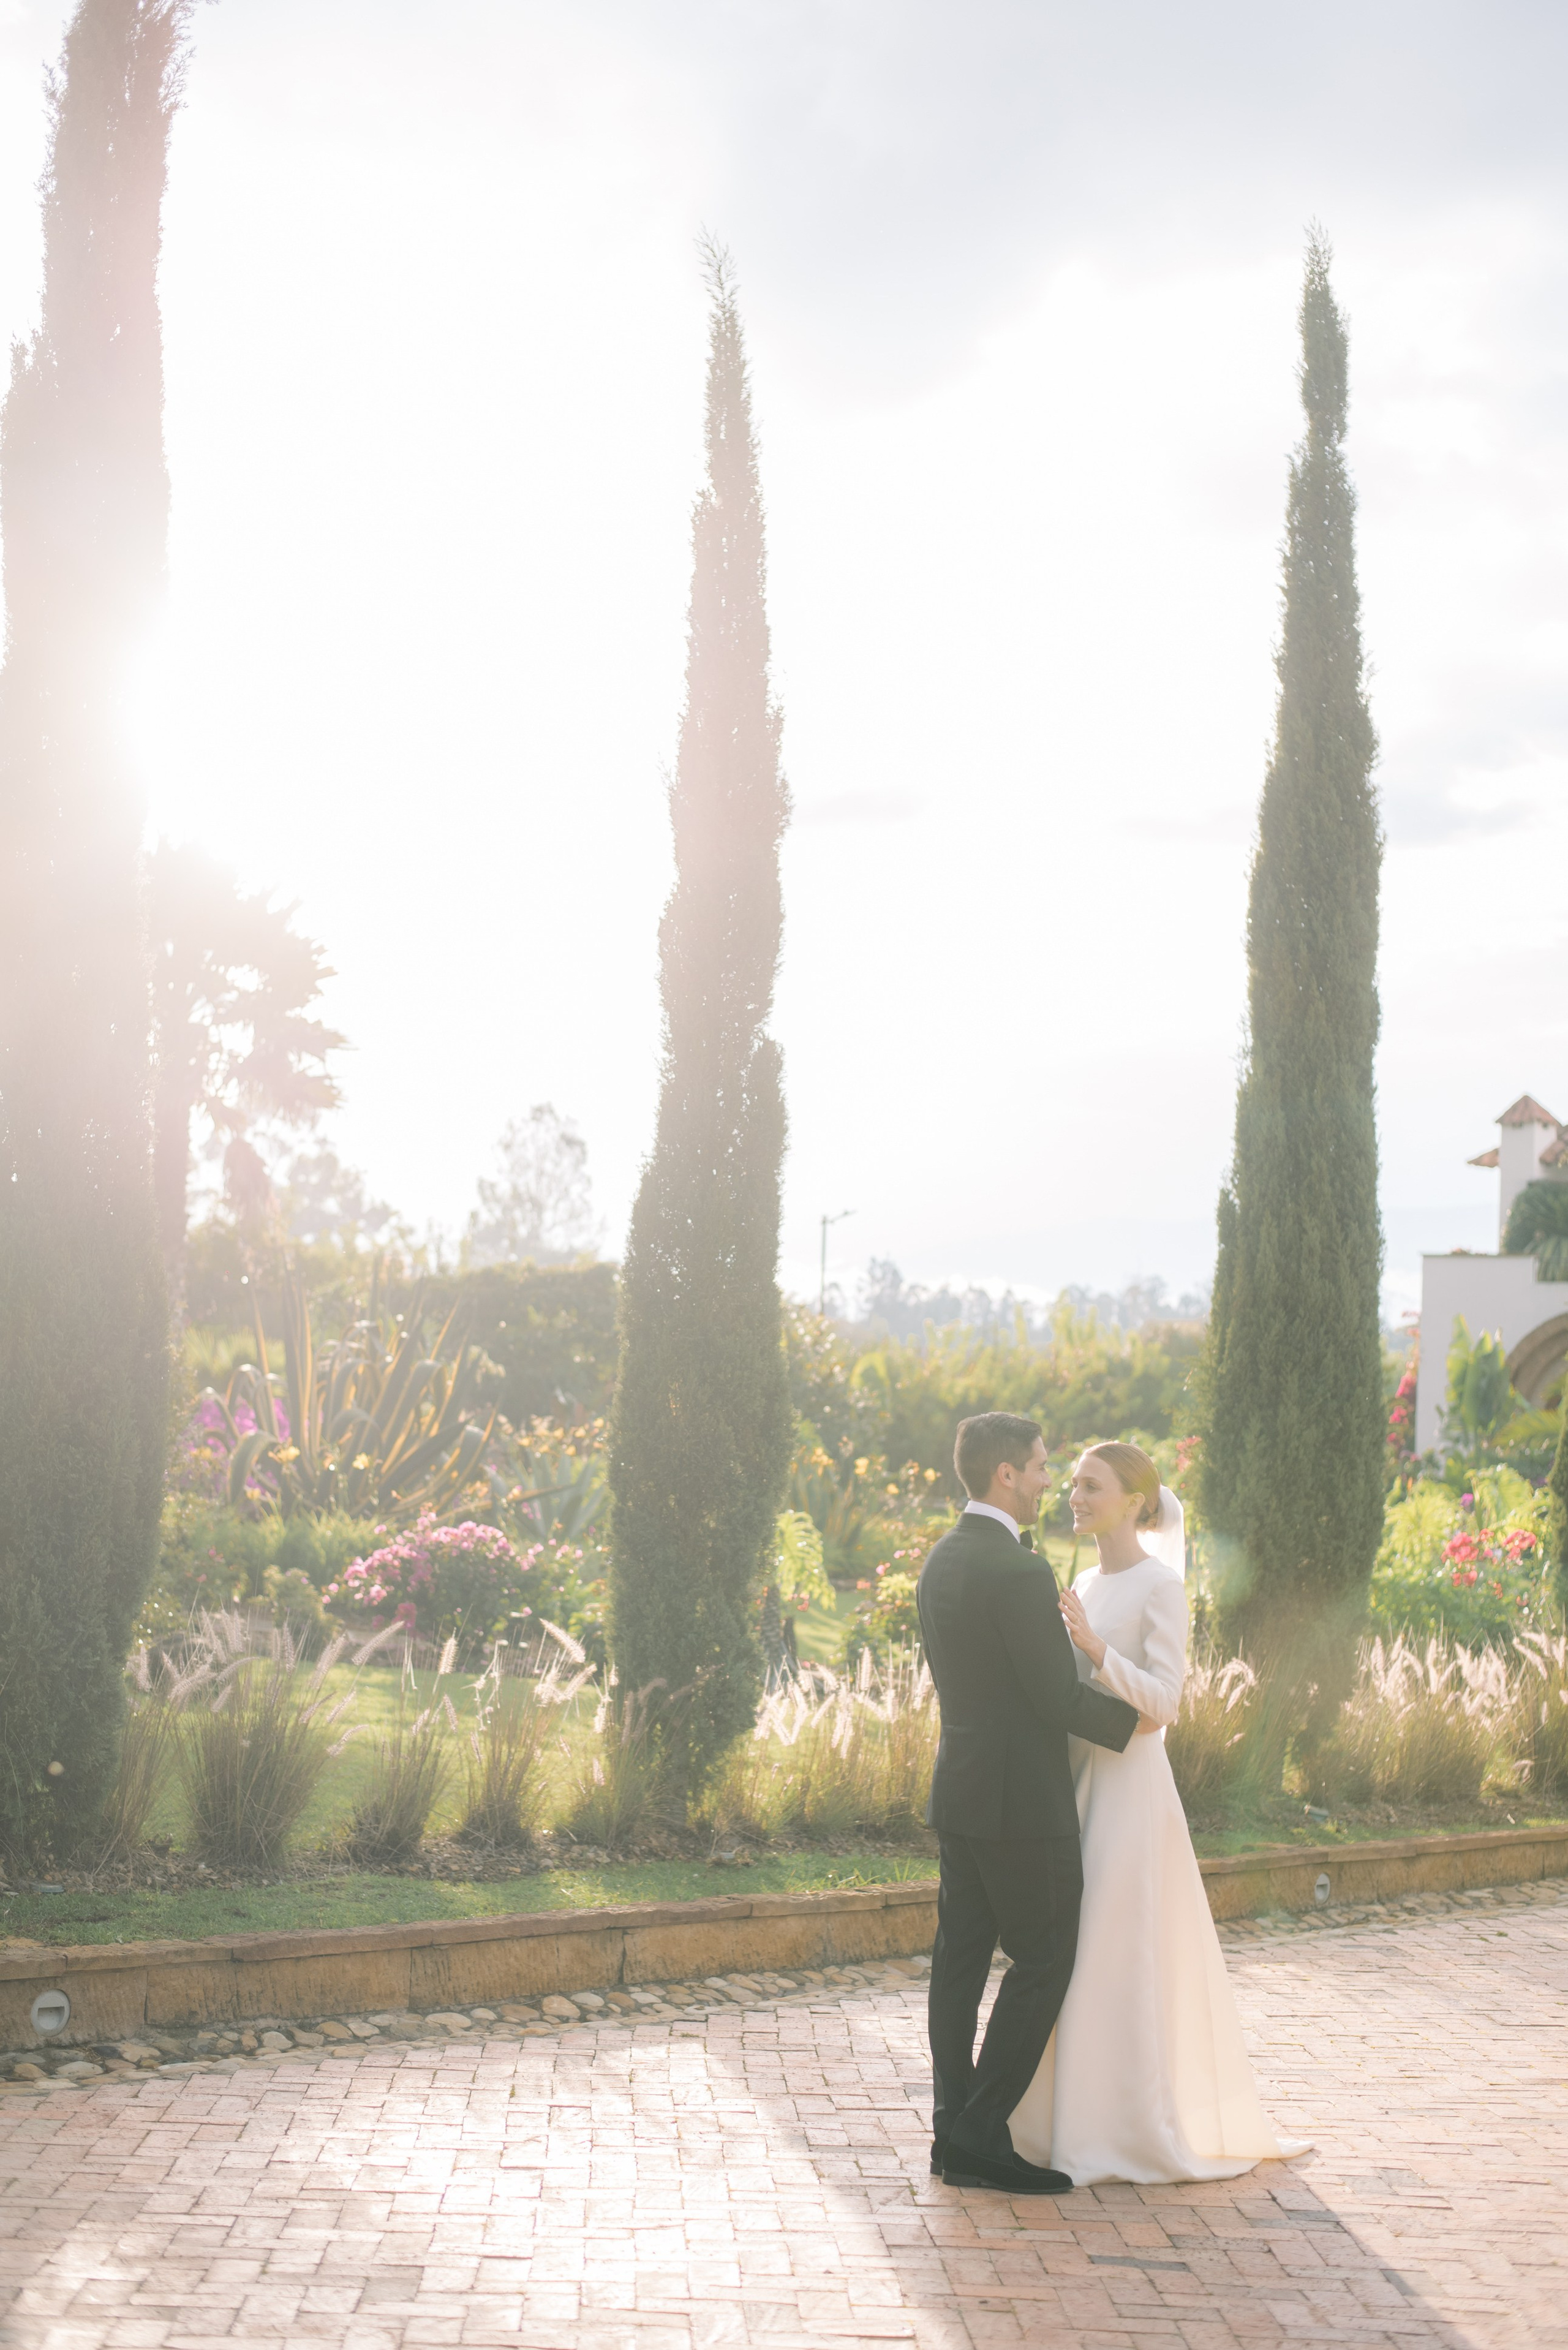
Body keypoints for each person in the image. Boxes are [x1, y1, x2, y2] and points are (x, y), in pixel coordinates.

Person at [1006, 1440, 1308, 2185]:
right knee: (1067, 1953)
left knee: (1112, 1952)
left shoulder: (1159, 1587)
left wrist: (1096, 1648)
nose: (1074, 1496)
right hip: (1075, 1783)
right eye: (1071, 1482)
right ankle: (1057, 2123)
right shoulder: (1079, 1578)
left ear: (1137, 1500)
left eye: (1091, 1485)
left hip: (1130, 1794)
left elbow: (1166, 1702)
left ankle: (1119, 2128)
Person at [916, 1411, 1140, 2194]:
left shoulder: (940, 1559)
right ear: (1006, 1473)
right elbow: (1052, 1695)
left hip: (961, 1791)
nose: (1049, 1480)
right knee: (1043, 1958)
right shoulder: (1019, 1570)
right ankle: (981, 2133)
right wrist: (1137, 1721)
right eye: (1043, 1466)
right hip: (1021, 1804)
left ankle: (951, 2129)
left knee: (959, 1964)